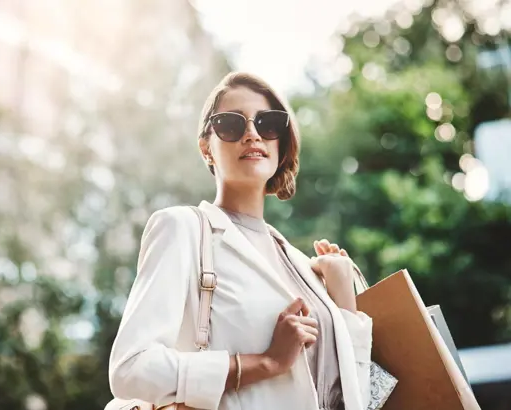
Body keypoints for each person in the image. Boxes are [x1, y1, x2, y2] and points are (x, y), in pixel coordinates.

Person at [108, 72, 372, 410]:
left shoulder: (300, 264)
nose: (252, 134)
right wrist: (264, 363)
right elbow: (131, 370)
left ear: (281, 140)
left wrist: (343, 303)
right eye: (231, 125)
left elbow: (353, 398)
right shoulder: (182, 229)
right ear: (206, 148)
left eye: (268, 123)